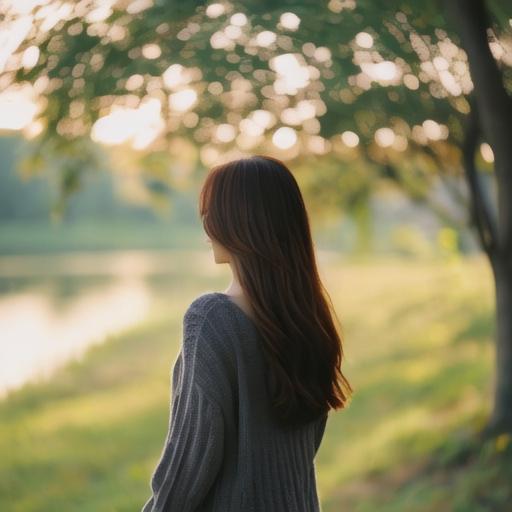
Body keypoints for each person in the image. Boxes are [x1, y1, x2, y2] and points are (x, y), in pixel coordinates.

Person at [141, 155, 353, 511]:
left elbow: (188, 464)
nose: (206, 224)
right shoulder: (308, 320)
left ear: (245, 223)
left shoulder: (212, 320)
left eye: (214, 212)